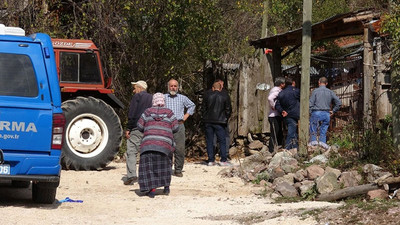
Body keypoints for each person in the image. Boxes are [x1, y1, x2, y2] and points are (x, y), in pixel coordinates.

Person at [137, 93, 179, 198]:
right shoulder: (169, 113)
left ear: (153, 101)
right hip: (165, 145)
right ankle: (166, 187)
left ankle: (152, 190)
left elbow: (139, 126)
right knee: (165, 166)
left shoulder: (147, 112)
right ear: (163, 101)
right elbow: (176, 128)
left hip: (148, 144)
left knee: (149, 167)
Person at [164, 79, 196, 177]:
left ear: (178, 87)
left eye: (175, 86)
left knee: (180, 148)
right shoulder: (163, 97)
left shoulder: (182, 98)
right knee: (166, 148)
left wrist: (186, 116)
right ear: (168, 87)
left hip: (179, 124)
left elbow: (192, 106)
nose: (173, 88)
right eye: (171, 86)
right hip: (166, 125)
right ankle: (167, 169)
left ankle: (178, 170)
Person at [124, 80, 152, 185]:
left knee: (131, 150)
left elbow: (132, 113)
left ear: (140, 88)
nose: (133, 90)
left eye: (135, 88)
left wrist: (128, 128)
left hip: (137, 127)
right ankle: (146, 174)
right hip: (149, 128)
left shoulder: (137, 97)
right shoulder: (152, 97)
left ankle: (131, 175)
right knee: (145, 151)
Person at [202, 82, 232, 166]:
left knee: (209, 140)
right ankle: (223, 160)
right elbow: (228, 109)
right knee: (222, 141)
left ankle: (211, 160)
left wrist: (204, 117)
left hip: (208, 121)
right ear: (220, 88)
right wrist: (225, 118)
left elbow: (203, 108)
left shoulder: (207, 96)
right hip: (220, 121)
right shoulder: (225, 96)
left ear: (212, 88)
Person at [309, 76, 342, 149]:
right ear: (326, 83)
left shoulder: (315, 91)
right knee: (323, 131)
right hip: (326, 113)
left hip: (316, 112)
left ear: (319, 82)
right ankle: (322, 146)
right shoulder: (330, 92)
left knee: (313, 130)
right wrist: (333, 111)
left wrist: (311, 112)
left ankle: (313, 146)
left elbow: (310, 104)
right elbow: (339, 103)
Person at [275, 77, 300, 150]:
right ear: (293, 83)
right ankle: (287, 148)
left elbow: (277, 105)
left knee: (293, 131)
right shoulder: (296, 91)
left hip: (286, 115)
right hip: (295, 114)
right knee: (291, 132)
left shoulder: (281, 93)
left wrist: (282, 110)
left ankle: (295, 147)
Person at [267, 76, 286, 152]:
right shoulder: (277, 91)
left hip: (275, 115)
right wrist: (273, 106)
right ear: (281, 84)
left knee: (278, 132)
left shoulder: (274, 90)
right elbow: (270, 98)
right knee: (274, 133)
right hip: (274, 115)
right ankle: (271, 149)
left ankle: (277, 147)